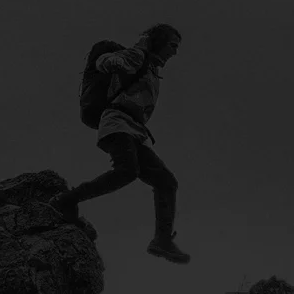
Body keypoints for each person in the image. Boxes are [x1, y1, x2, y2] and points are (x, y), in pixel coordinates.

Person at [52, 23, 190, 264]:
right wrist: (139, 48)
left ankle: (162, 240)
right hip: (117, 123)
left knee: (166, 182)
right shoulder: (138, 58)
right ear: (158, 41)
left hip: (134, 130)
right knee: (127, 171)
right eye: (172, 45)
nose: (175, 52)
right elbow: (106, 62)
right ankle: (66, 200)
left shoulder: (151, 68)